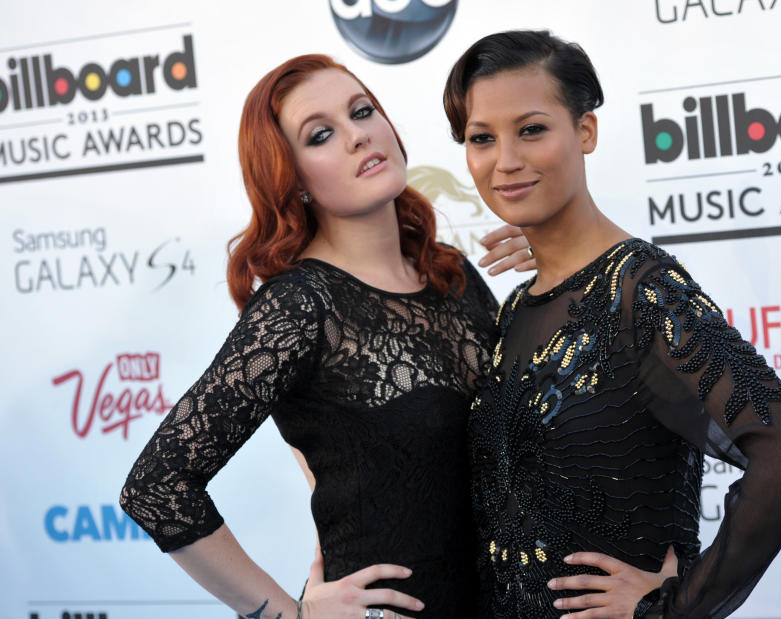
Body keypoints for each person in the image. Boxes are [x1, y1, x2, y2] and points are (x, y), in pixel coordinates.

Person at [119, 53, 533, 619]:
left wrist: (558, 265)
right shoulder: (300, 306)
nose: (358, 136)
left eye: (362, 112)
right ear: (293, 180)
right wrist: (288, 614)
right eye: (321, 135)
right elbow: (156, 487)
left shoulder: (453, 274)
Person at [442, 30, 781, 618]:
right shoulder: (518, 307)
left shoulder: (639, 289)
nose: (506, 160)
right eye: (481, 138)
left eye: (531, 129)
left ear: (585, 131)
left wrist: (674, 606)